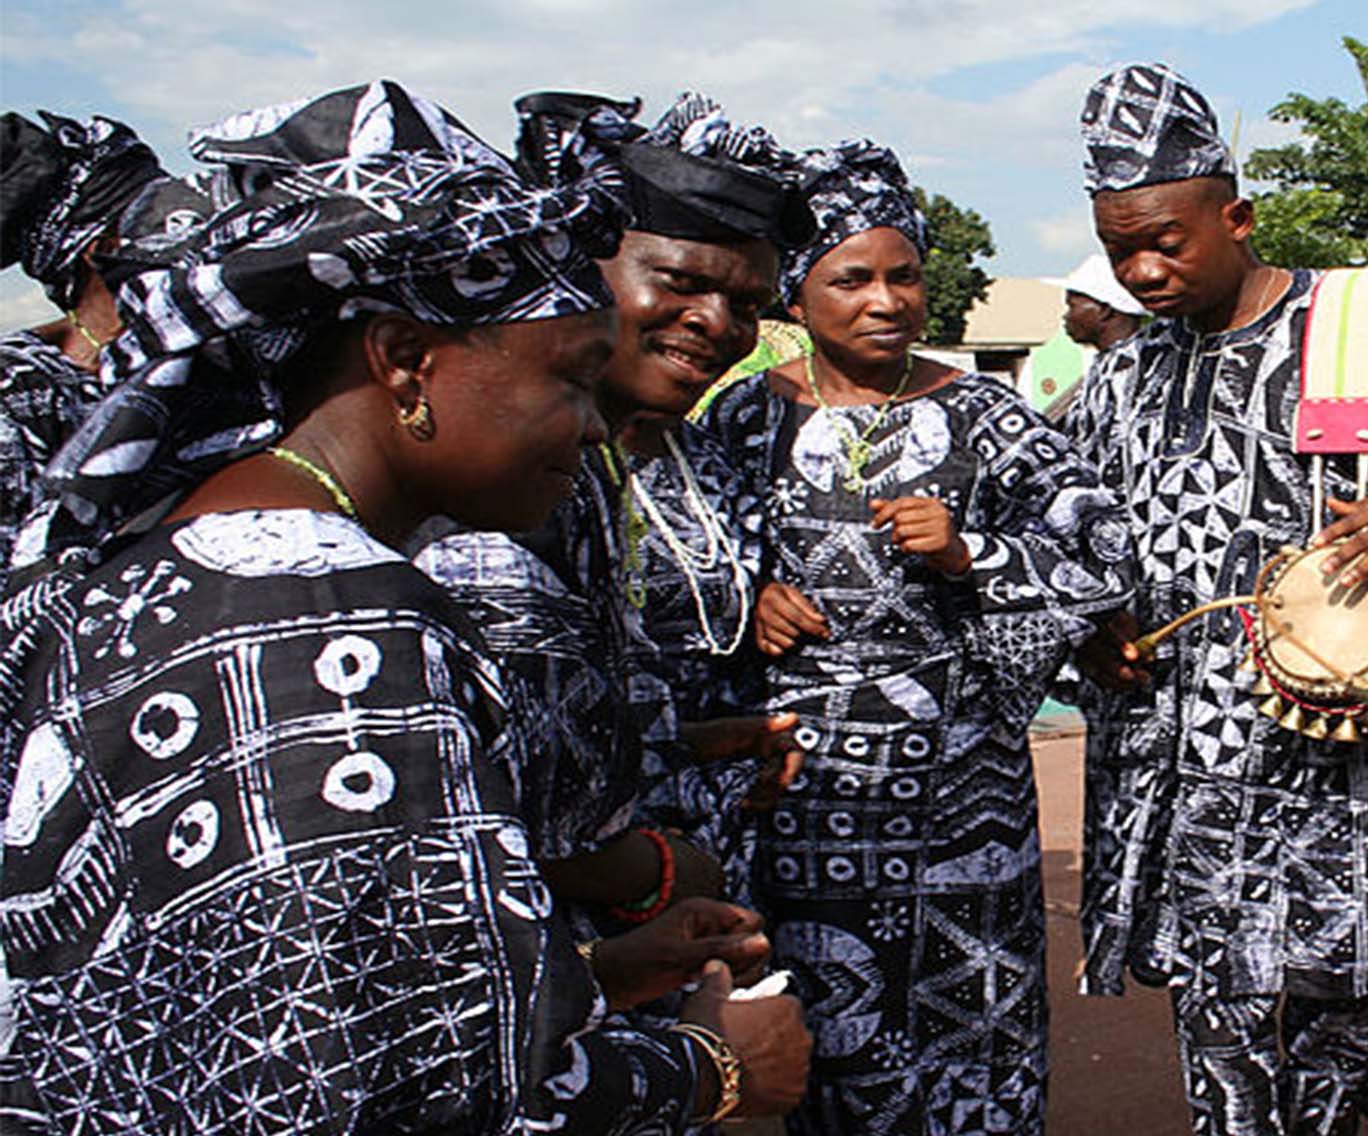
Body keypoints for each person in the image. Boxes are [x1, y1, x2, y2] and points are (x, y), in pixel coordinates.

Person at [0, 80, 809, 1133]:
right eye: (567, 378)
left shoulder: (168, 564)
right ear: (405, 361)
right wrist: (713, 1068)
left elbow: (308, 1008)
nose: (595, 426)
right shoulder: (338, 630)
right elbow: (396, 1097)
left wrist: (595, 976)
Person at [1065, 62, 1368, 1135]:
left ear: (1237, 215)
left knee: (1341, 1020)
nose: (1141, 270)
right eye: (1119, 248)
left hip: (1341, 774)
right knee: (1221, 1033)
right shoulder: (1129, 376)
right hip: (1176, 781)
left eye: (1165, 241)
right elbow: (1053, 514)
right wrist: (1092, 626)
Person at [702, 138, 1133, 1135]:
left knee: (972, 1036)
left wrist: (971, 552)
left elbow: (1110, 556)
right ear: (798, 293)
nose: (886, 300)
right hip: (801, 800)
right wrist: (748, 598)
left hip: (962, 804)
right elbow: (671, 575)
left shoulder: (986, 414)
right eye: (852, 278)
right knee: (822, 1044)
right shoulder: (737, 421)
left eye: (905, 276)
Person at [416, 90, 813, 930]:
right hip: (565, 916)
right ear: (590, 268)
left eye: (747, 304)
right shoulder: (501, 472)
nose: (716, 324)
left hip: (692, 885)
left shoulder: (705, 459)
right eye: (682, 282)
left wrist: (706, 741)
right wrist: (660, 874)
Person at [0, 112, 177, 560]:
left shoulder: (208, 355)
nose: (186, 230)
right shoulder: (18, 390)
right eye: (158, 217)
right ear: (102, 252)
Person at [1040, 252, 1146, 420]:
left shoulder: (1131, 372)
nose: (1066, 316)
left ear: (1104, 311)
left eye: (1072, 306)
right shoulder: (1107, 368)